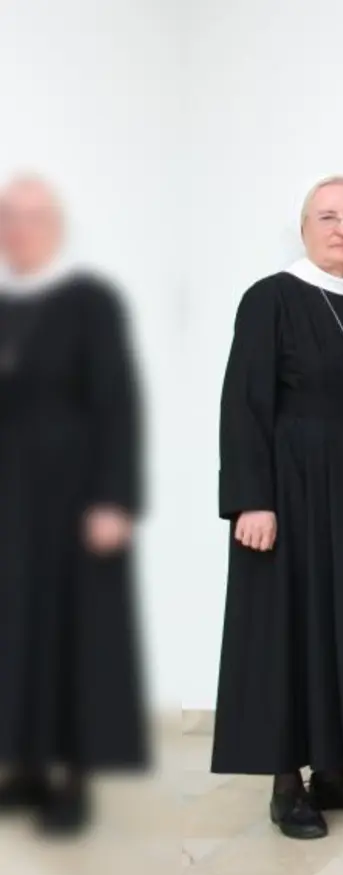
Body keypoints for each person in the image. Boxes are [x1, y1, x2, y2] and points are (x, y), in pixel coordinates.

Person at [212, 176, 343, 839]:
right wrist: (252, 499)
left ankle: (336, 771)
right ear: (304, 227)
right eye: (329, 217)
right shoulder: (270, 299)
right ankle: (287, 784)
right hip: (292, 490)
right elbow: (243, 405)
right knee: (291, 628)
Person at [0, 175, 148, 836]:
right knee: (16, 635)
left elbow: (117, 402)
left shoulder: (91, 301)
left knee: (73, 637)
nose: (22, 229)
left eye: (35, 216)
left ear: (56, 226)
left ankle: (74, 779)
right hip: (9, 503)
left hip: (73, 499)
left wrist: (115, 498)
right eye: (11, 217)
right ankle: (26, 768)